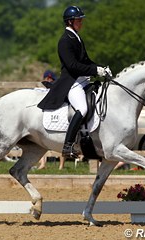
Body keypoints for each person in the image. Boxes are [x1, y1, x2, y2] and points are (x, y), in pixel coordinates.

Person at [37, 6, 112, 158]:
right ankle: (68, 145)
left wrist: (100, 68)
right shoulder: (65, 41)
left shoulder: (76, 38)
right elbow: (72, 66)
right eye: (78, 20)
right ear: (70, 21)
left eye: (81, 20)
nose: (81, 23)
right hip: (72, 82)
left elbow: (86, 61)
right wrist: (95, 71)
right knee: (82, 109)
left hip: (83, 81)